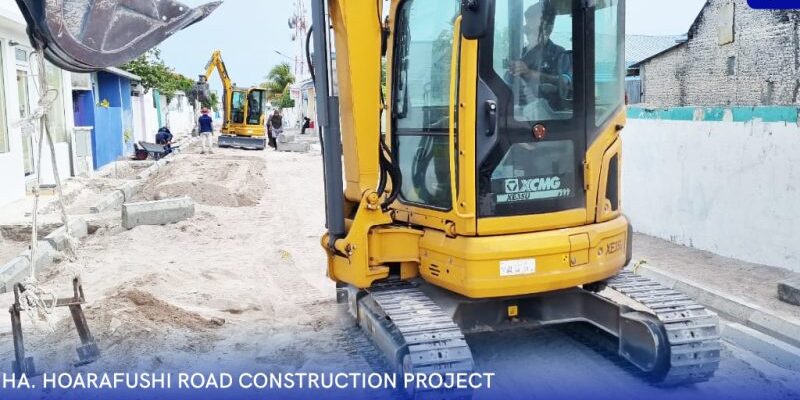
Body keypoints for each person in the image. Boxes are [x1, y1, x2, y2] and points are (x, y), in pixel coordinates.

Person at [508, 1, 567, 109]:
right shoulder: (520, 54)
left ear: (548, 30)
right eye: (526, 30)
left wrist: (530, 74)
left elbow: (566, 82)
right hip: (520, 113)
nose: (528, 34)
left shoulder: (560, 54)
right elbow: (507, 83)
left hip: (553, 114)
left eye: (533, 30)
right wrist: (511, 72)